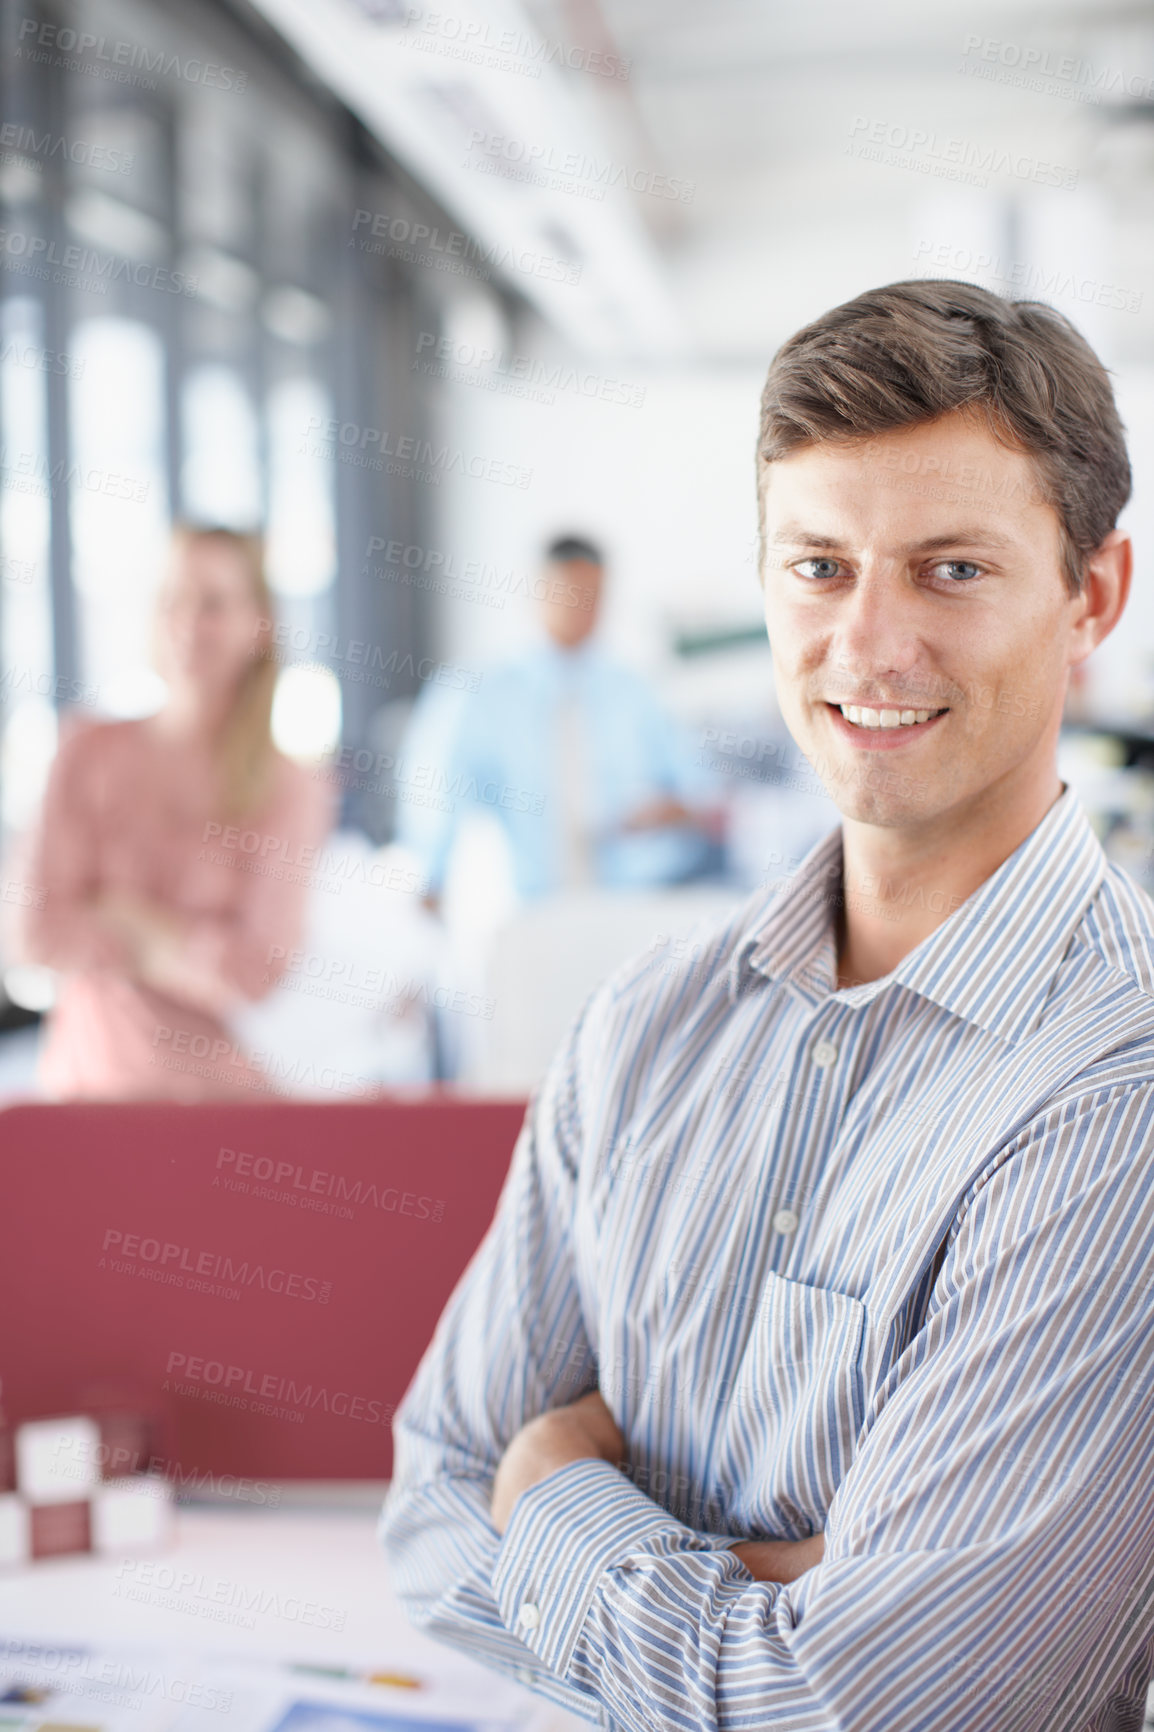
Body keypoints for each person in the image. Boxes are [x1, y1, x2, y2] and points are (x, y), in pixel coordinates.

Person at [380, 280, 1154, 1731]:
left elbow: (883, 1709)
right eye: (816, 568)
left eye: (950, 572)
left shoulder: (1117, 1099)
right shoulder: (643, 1029)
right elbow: (429, 1511)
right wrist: (772, 1600)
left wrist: (556, 1497)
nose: (866, 644)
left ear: (1088, 598)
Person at [6, 524, 334, 1100]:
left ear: (260, 625)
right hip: (87, 1091)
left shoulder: (290, 786)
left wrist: (125, 916)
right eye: (172, 600)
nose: (187, 622)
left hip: (215, 1100)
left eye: (212, 603)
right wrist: (190, 952)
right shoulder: (86, 750)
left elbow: (254, 972)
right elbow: (31, 931)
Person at [396, 536, 721, 908]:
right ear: (538, 593)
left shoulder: (637, 691)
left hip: (629, 903)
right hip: (520, 910)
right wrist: (429, 882)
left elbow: (699, 789)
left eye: (594, 595)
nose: (583, 609)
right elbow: (435, 797)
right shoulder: (476, 693)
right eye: (570, 593)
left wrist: (673, 810)